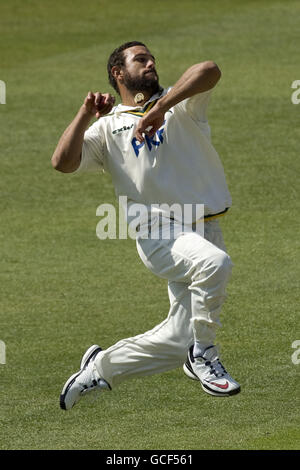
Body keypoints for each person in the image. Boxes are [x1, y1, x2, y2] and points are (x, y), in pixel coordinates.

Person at [51, 41, 241, 411]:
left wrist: (160, 110)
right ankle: (203, 355)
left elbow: (210, 69)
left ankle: (100, 367)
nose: (151, 62)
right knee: (215, 264)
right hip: (158, 234)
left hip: (203, 227)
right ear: (119, 74)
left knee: (175, 340)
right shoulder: (108, 128)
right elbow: (62, 162)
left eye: (152, 57)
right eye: (141, 59)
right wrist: (85, 114)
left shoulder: (182, 101)